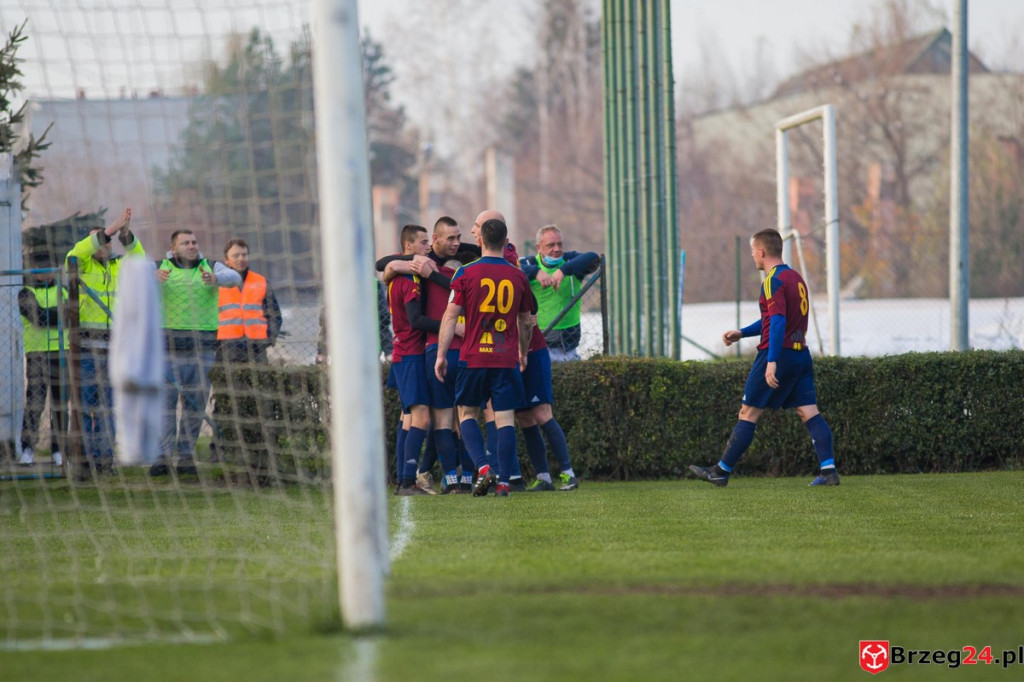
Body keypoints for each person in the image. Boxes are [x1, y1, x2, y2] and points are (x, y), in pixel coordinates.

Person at [689, 228, 839, 487]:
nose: (752, 257)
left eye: (752, 252)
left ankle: (721, 471)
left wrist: (771, 361)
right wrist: (743, 332)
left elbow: (778, 322)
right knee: (809, 412)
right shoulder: (795, 278)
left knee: (748, 412)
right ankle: (829, 471)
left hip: (778, 354)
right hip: (800, 355)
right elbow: (774, 319)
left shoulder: (772, 281)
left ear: (761, 251)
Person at [435, 217, 534, 497]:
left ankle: (482, 468)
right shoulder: (518, 275)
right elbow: (526, 322)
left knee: (466, 413)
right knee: (504, 419)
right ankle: (503, 481)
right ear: (505, 242)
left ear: (479, 241)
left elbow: (450, 316)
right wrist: (523, 353)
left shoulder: (464, 273)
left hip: (473, 357)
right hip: (505, 359)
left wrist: (441, 355)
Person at [150, 230, 242, 476]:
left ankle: (186, 457)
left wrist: (216, 279)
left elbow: (235, 278)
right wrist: (152, 278)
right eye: (185, 243)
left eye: (194, 242)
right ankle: (163, 457)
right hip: (167, 353)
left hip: (202, 352)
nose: (191, 246)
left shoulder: (211, 267)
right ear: (173, 246)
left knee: (194, 407)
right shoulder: (159, 267)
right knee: (165, 407)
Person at [65, 207, 139, 472]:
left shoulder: (121, 266)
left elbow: (139, 258)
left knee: (109, 407)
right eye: (99, 240)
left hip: (114, 352)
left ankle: (104, 459)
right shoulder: (80, 264)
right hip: (84, 351)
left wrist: (125, 232)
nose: (104, 244)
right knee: (84, 407)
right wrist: (109, 230)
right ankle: (83, 458)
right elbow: (76, 252)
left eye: (108, 240)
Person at [386, 224, 438, 495]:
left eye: (428, 241)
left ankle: (403, 479)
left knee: (407, 417)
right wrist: (450, 326)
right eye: (422, 242)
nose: (427, 246)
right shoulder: (407, 281)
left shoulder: (398, 276)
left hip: (403, 353)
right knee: (421, 418)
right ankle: (407, 480)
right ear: (407, 247)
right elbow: (416, 320)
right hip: (411, 354)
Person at [516, 319, 580, 492]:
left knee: (542, 414)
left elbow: (528, 320)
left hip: (533, 355)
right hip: (513, 358)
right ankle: (543, 477)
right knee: (524, 417)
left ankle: (569, 474)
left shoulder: (523, 291)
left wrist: (523, 351)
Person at [520, 224, 599, 362]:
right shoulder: (530, 263)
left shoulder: (570, 261)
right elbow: (510, 267)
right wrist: (535, 272)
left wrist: (563, 270)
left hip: (567, 345)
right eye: (551, 245)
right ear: (539, 248)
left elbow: (593, 258)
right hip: (536, 343)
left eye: (560, 244)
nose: (557, 249)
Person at [17, 256, 68, 467]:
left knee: (60, 404)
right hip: (37, 354)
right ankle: (28, 449)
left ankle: (58, 451)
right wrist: (55, 315)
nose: (45, 274)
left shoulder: (63, 291)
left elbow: (69, 316)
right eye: (40, 270)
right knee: (35, 404)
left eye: (49, 270)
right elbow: (37, 318)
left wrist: (51, 315)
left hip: (60, 352)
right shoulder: (26, 292)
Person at [217, 238, 282, 365]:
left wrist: (268, 338)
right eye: (236, 255)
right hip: (226, 350)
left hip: (257, 350)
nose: (241, 259)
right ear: (226, 260)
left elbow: (275, 315)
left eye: (244, 255)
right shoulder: (217, 284)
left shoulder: (261, 282)